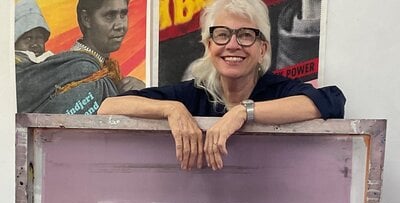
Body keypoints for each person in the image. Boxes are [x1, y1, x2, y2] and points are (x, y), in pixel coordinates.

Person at [98, 0, 346, 171]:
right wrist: (171, 109)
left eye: (246, 35)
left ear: (263, 49)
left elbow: (331, 101)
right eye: (221, 34)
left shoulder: (276, 91)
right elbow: (109, 106)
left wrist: (243, 112)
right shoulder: (194, 93)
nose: (233, 44)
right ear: (208, 45)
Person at [16, 0, 144, 114]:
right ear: (86, 19)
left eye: (123, 14)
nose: (120, 25)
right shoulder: (82, 71)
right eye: (110, 16)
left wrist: (140, 93)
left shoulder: (102, 70)